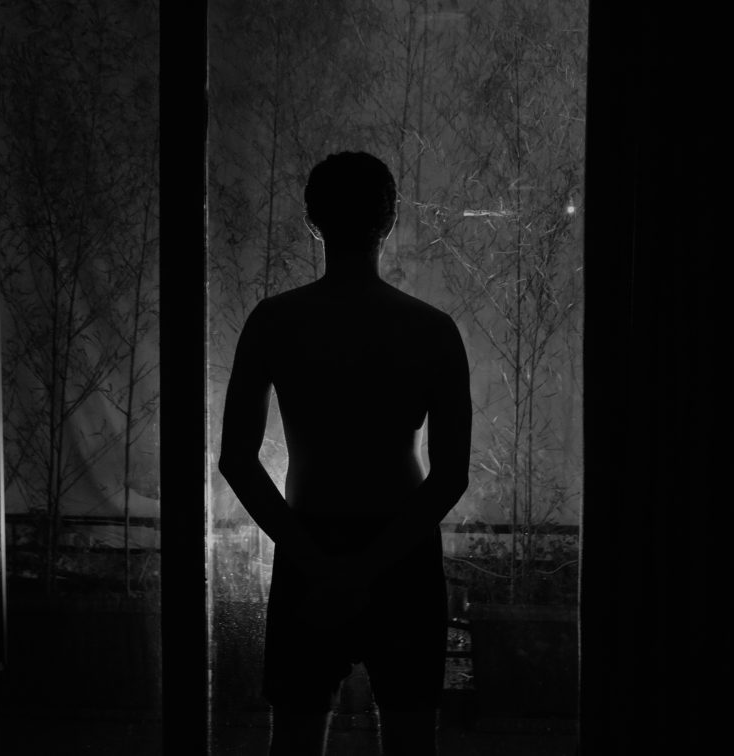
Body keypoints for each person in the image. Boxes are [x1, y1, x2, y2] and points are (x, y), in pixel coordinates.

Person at [218, 151, 472, 756]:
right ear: (390, 221)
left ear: (314, 221)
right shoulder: (432, 329)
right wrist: (372, 564)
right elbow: (450, 476)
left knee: (295, 740)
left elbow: (237, 459)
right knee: (411, 741)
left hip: (309, 546)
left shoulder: (275, 321)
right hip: (404, 552)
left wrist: (316, 560)